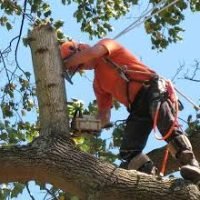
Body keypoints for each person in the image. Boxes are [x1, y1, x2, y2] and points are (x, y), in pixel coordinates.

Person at [60, 38, 200, 182]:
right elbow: (104, 118)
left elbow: (94, 52)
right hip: (137, 108)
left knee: (161, 117)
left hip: (151, 89)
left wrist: (65, 64)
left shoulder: (107, 46)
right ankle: (153, 181)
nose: (83, 68)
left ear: (80, 49)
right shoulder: (98, 84)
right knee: (128, 151)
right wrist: (83, 124)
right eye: (79, 68)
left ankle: (190, 162)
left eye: (80, 65)